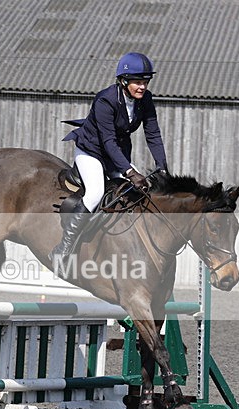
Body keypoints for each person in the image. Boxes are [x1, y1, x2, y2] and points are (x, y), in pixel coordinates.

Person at [51, 51, 170, 270]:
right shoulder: (105, 99)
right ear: (123, 81)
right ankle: (64, 247)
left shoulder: (146, 100)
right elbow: (108, 141)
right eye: (137, 82)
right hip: (92, 151)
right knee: (96, 192)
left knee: (141, 191)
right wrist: (130, 171)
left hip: (117, 154)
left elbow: (152, 134)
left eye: (145, 82)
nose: (143, 87)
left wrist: (162, 167)